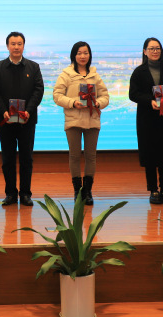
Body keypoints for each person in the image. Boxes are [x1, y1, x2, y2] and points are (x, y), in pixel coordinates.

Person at [52, 41, 109, 206]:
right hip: (73, 120)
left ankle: (88, 190)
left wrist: (98, 103)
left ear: (90, 55)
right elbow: (57, 95)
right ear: (73, 55)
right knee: (74, 156)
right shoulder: (66, 74)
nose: (82, 56)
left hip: (92, 120)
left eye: (85, 53)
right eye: (79, 53)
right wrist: (72, 102)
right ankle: (77, 190)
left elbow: (105, 96)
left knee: (91, 156)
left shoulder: (95, 75)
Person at [0, 31, 44, 207]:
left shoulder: (33, 67)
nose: (16, 47)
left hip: (27, 120)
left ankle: (26, 194)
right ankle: (10, 194)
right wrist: (3, 110)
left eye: (19, 44)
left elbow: (39, 90)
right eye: (13, 44)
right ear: (7, 46)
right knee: (7, 159)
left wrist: (28, 110)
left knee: (26, 158)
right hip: (5, 120)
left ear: (23, 46)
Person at [128, 37, 163, 205]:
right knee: (150, 155)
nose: (155, 51)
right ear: (145, 51)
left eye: (157, 48)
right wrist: (149, 101)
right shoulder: (139, 72)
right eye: (151, 48)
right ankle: (153, 190)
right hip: (147, 119)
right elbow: (133, 94)